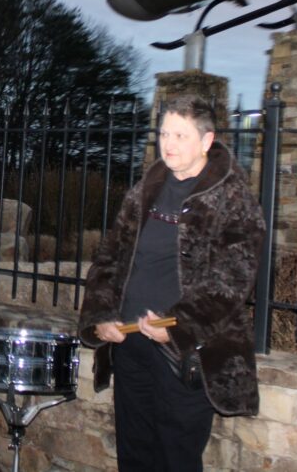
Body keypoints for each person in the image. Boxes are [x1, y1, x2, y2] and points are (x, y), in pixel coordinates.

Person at [79, 94, 265, 471]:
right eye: (165, 133)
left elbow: (234, 279)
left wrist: (178, 328)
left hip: (184, 355)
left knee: (175, 459)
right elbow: (109, 257)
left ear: (206, 141)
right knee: (134, 456)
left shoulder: (232, 196)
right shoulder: (146, 189)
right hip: (130, 345)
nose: (169, 143)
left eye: (180, 135)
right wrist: (102, 316)